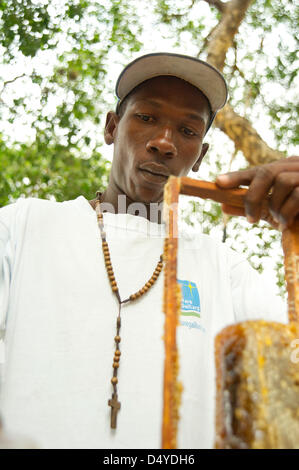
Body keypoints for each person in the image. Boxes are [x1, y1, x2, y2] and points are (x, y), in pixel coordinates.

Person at [0, 52, 298, 449]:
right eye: (146, 118)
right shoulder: (23, 225)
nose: (164, 143)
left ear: (201, 157)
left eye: (188, 131)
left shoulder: (223, 267)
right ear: (111, 127)